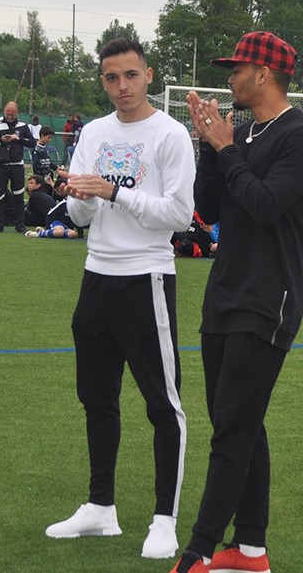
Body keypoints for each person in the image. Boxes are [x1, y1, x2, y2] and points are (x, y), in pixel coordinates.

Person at [173, 30, 303, 573]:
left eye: (236, 67)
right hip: (225, 293)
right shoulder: (244, 132)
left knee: (234, 429)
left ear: (263, 74)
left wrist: (225, 147)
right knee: (237, 423)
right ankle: (251, 549)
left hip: (269, 300)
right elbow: (211, 207)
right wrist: (208, 146)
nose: (229, 76)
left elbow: (264, 205)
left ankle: (198, 551)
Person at [43, 38, 195, 562]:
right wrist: (80, 199)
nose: (122, 87)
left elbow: (179, 215)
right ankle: (100, 507)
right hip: (95, 276)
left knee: (163, 405)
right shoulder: (92, 132)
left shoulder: (171, 135)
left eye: (131, 75)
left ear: (149, 75)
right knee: (96, 398)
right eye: (112, 78)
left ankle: (164, 520)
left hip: (146, 277)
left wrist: (113, 192)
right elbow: (80, 215)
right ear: (103, 81)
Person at [0, 101, 36, 233]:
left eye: (12, 115)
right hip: (1, 166)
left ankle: (20, 225)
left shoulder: (23, 126)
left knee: (18, 195)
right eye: (8, 114)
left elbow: (31, 143)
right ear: (4, 112)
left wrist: (18, 139)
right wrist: (1, 140)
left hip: (17, 166)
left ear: (17, 113)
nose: (10, 117)